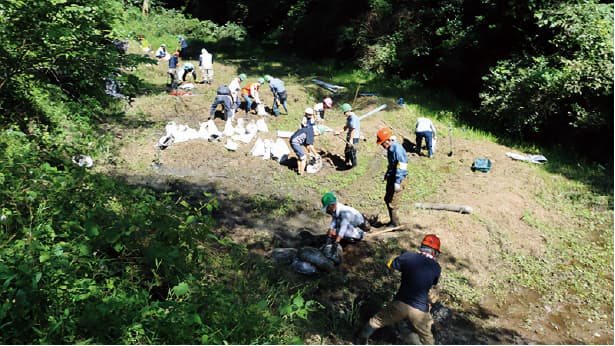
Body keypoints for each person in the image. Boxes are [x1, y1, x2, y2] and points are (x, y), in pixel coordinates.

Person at [355, 234, 442, 345]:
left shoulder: (408, 257)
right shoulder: (436, 267)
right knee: (427, 337)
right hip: (420, 310)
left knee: (376, 321)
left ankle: (360, 340)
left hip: (400, 304)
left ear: (422, 246)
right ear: (434, 252)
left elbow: (391, 264)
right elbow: (433, 282)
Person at [376, 127, 408, 227]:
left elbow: (402, 166)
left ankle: (396, 224)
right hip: (392, 176)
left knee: (393, 202)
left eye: (383, 143)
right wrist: (387, 174)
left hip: (399, 178)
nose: (382, 146)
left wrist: (398, 182)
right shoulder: (390, 148)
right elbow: (392, 164)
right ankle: (392, 221)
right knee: (387, 199)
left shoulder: (397, 150)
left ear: (389, 140)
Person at [341, 103, 360, 169]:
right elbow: (346, 127)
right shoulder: (349, 118)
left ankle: (354, 167)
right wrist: (339, 132)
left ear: (348, 111)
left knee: (352, 152)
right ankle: (346, 163)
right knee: (347, 151)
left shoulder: (353, 118)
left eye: (344, 112)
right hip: (349, 137)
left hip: (354, 137)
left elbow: (353, 130)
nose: (344, 114)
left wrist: (351, 140)